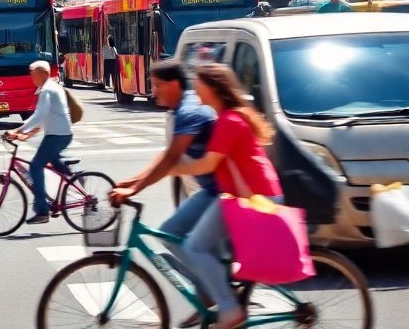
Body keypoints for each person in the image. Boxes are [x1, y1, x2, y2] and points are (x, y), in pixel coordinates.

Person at [169, 64, 282, 329]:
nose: (194, 87)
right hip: (246, 195)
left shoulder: (229, 121)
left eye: (199, 83)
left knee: (195, 246)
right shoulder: (228, 117)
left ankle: (229, 309)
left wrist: (171, 169)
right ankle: (215, 291)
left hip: (252, 198)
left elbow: (207, 164)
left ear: (213, 88)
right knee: (202, 247)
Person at [111, 60, 217, 324]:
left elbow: (171, 159)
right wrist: (132, 181)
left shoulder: (189, 110)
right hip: (211, 189)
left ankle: (216, 294)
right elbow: (166, 156)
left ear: (174, 84)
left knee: (173, 235)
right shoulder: (184, 106)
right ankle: (210, 294)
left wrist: (135, 188)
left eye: (157, 85)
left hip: (222, 192)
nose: (154, 91)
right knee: (183, 239)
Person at [5, 60, 73, 224]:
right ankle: (77, 179)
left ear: (44, 74)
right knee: (55, 164)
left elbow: (39, 115)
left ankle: (43, 211)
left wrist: (18, 131)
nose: (32, 78)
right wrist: (27, 135)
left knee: (35, 166)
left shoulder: (47, 90)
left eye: (34, 74)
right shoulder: (50, 88)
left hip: (57, 136)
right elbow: (46, 117)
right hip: (60, 134)